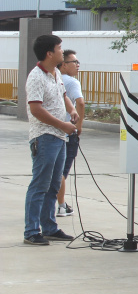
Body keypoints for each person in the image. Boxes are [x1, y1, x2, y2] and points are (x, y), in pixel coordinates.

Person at [24, 34, 78, 246]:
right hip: (45, 137)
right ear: (49, 53)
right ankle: (31, 231)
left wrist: (71, 109)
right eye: (58, 48)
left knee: (54, 185)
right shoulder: (36, 77)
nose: (61, 52)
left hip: (59, 137)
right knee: (40, 184)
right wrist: (61, 124)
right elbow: (36, 109)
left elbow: (63, 95)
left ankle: (49, 227)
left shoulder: (55, 73)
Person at [56, 49, 84, 217]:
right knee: (62, 172)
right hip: (66, 132)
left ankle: (58, 204)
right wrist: (79, 126)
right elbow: (80, 102)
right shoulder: (71, 82)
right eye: (74, 62)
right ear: (64, 64)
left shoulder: (53, 78)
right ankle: (61, 205)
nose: (78, 65)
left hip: (52, 131)